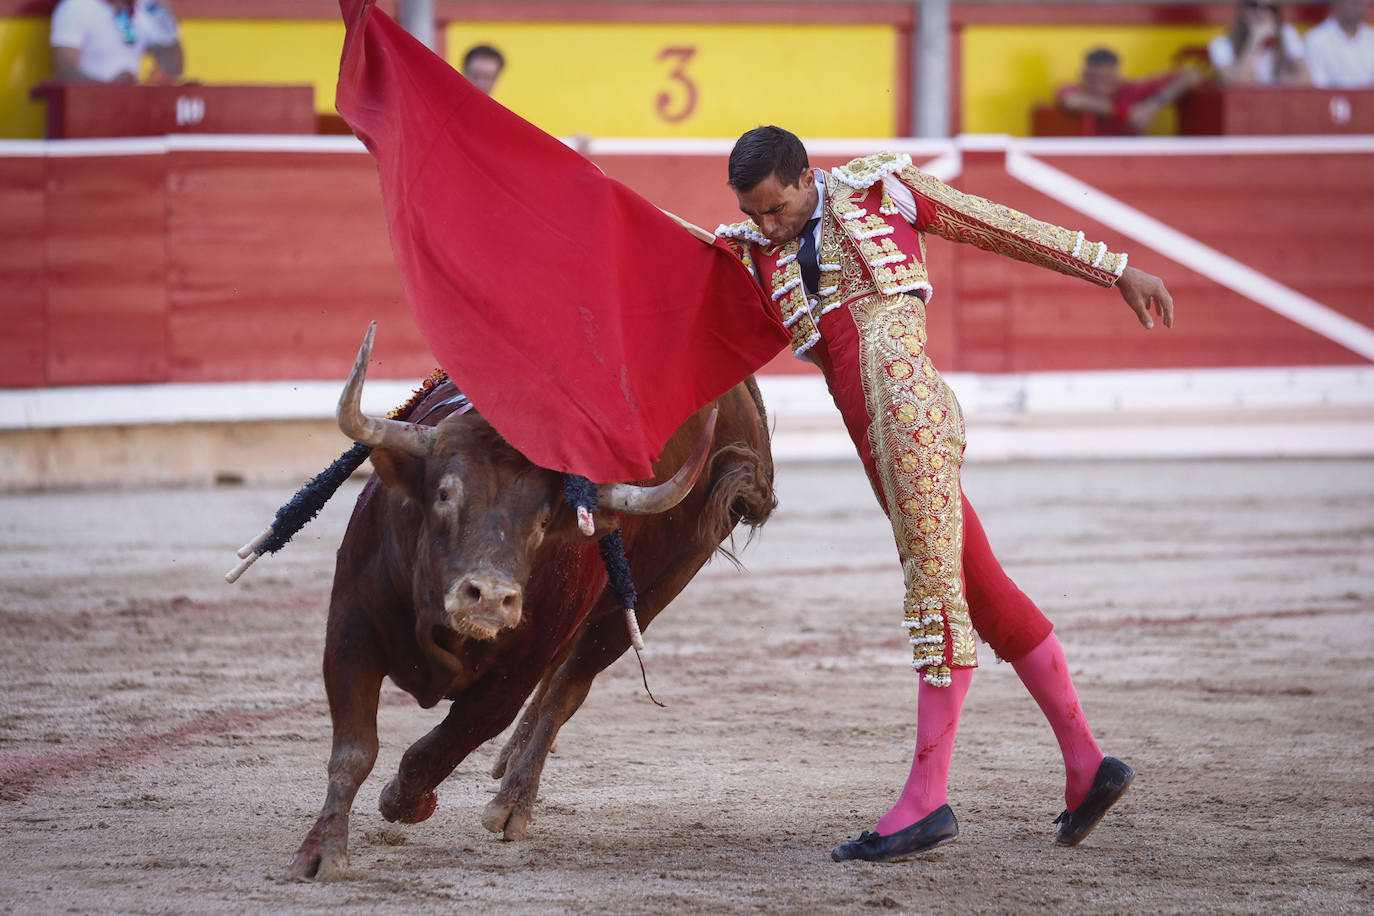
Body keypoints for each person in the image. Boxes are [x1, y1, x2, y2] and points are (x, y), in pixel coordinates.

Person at [716, 126, 1174, 863]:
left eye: (775, 208)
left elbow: (1000, 225)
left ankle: (925, 802)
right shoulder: (756, 252)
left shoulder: (881, 191)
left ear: (806, 178)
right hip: (875, 443)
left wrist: (1113, 269)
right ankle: (1089, 767)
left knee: (935, 600)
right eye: (754, 213)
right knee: (982, 592)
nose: (767, 225)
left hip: (912, 420)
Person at [1056, 47, 1203, 136]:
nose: (1101, 85)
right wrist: (1126, 113)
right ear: (1084, 76)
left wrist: (1153, 106)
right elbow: (1072, 101)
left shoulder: (1131, 90)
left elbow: (1192, 74)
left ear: (1117, 75)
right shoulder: (1075, 89)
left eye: (1107, 78)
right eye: (1094, 78)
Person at [50, 0, 182, 84]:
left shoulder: (146, 9)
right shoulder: (77, 6)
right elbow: (65, 68)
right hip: (86, 111)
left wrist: (165, 17)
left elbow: (174, 68)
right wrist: (110, 92)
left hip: (128, 109)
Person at [1209, 0, 1310, 85]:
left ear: (1277, 14)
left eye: (1270, 8)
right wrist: (1254, 42)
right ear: (1242, 10)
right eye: (1254, 5)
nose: (1261, 13)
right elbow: (1237, 83)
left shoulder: (1286, 34)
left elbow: (1307, 79)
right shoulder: (1221, 44)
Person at [1305, 0, 1374, 87]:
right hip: (1329, 99)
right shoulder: (1316, 39)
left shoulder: (1371, 38)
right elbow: (1319, 87)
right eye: (1354, 3)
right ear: (1337, 3)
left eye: (1362, 4)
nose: (1359, 9)